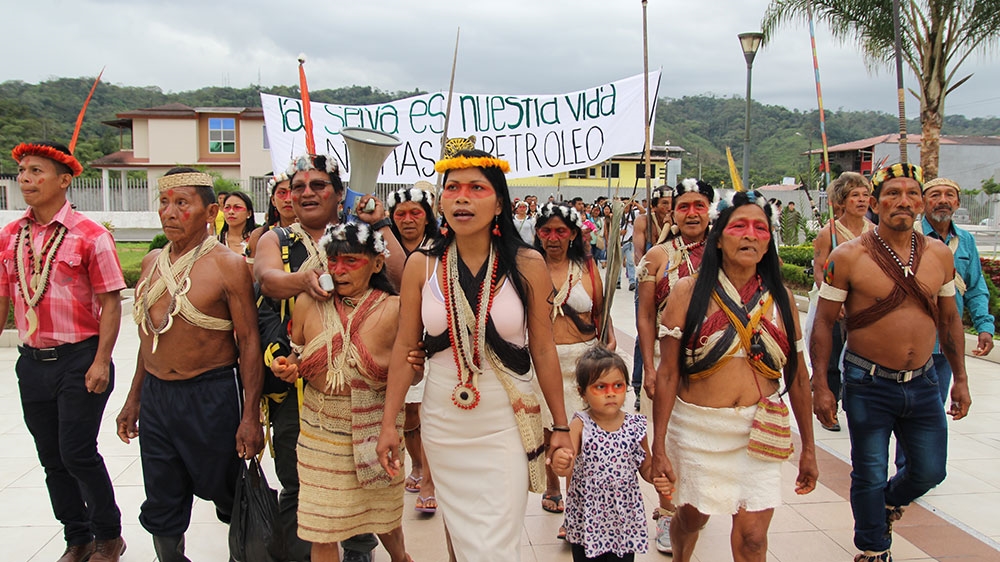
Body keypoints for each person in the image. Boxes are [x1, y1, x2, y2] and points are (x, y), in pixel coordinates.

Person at [376, 145, 573, 562]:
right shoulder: (421, 266)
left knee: (494, 546)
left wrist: (559, 425)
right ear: (441, 201)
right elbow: (405, 348)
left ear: (499, 202)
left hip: (505, 419)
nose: (462, 198)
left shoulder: (527, 263)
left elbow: (543, 349)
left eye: (476, 188)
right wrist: (389, 423)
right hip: (444, 423)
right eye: (453, 188)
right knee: (462, 539)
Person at [810, 163, 971, 562]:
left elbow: (950, 320)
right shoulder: (847, 256)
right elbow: (824, 323)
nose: (903, 201)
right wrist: (821, 385)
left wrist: (961, 378)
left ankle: (886, 502)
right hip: (867, 381)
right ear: (876, 203)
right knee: (868, 470)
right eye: (892, 193)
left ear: (921, 203)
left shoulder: (938, 255)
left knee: (931, 470)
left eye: (911, 193)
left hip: (923, 381)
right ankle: (873, 547)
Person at [650, 191, 818, 562]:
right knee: (691, 519)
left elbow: (798, 376)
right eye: (739, 226)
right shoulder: (687, 292)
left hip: (758, 432)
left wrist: (809, 447)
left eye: (760, 228)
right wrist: (658, 445)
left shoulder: (780, 297)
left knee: (754, 539)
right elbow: (668, 374)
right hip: (697, 430)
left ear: (769, 241)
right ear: (718, 238)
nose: (750, 235)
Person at [253, 152, 403, 562]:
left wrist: (379, 225)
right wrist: (305, 280)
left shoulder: (360, 233)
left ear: (340, 194)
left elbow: (402, 279)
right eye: (298, 187)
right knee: (301, 483)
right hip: (300, 390)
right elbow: (268, 281)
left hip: (366, 395)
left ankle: (360, 551)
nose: (306, 193)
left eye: (318, 185)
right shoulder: (276, 239)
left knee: (369, 486)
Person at [115, 167, 264, 562]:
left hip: (212, 394)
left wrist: (250, 415)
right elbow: (150, 337)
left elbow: (249, 342)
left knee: (229, 491)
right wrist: (134, 398)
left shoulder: (228, 265)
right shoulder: (151, 262)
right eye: (164, 202)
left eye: (182, 203)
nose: (169, 212)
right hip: (158, 398)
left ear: (211, 211)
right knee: (161, 496)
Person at [2, 140, 127, 562]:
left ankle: (108, 535)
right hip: (32, 362)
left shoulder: (91, 235)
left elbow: (111, 303)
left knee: (77, 452)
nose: (25, 179)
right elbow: (3, 297)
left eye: (36, 171)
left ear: (64, 180)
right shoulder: (10, 236)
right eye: (22, 171)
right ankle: (77, 538)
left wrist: (101, 361)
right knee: (51, 458)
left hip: (80, 359)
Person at [634, 178, 714, 553]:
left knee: (701, 440)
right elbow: (645, 315)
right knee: (664, 439)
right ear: (673, 213)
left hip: (711, 364)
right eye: (684, 207)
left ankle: (693, 507)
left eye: (699, 206)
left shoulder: (724, 251)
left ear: (710, 210)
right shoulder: (657, 256)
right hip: (664, 361)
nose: (692, 213)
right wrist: (650, 369)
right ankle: (667, 513)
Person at [533, 202, 616, 531]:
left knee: (578, 434)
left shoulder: (587, 268)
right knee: (549, 428)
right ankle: (552, 487)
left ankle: (576, 507)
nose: (553, 238)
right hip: (543, 360)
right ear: (538, 234)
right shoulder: (529, 267)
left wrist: (609, 338)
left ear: (572, 235)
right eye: (546, 231)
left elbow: (601, 310)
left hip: (583, 361)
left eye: (560, 231)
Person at [550, 346, 672, 562]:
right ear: (582, 392)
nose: (610, 393)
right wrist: (561, 462)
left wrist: (657, 478)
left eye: (618, 385)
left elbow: (645, 466)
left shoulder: (635, 426)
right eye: (600, 387)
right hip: (589, 520)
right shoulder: (580, 424)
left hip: (623, 520)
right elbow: (568, 464)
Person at [386, 184, 439, 514]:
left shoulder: (441, 248)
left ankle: (429, 480)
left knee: (427, 412)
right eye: (400, 214)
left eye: (415, 213)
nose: (408, 219)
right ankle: (416, 464)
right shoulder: (383, 247)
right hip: (396, 339)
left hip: (433, 341)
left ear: (427, 216)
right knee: (407, 413)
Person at [810, 172, 875, 432]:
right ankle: (830, 408)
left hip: (865, 308)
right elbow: (819, 270)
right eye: (854, 195)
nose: (861, 200)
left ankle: (858, 405)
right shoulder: (829, 233)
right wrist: (832, 300)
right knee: (832, 357)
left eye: (865, 195)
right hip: (835, 306)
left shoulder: (875, 232)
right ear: (842, 201)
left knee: (861, 358)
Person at [920, 177, 995, 399]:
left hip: (946, 344)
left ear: (957, 203)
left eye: (949, 195)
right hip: (911, 343)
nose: (943, 200)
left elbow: (975, 287)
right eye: (935, 195)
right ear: (922, 202)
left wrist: (984, 327)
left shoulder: (966, 240)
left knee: (936, 406)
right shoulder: (910, 236)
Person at [246, 172, 297, 263]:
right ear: (273, 200)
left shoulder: (317, 234)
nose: (288, 199)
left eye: (293, 192)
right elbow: (252, 271)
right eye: (282, 193)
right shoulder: (258, 236)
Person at [218, 191, 257, 256]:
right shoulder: (215, 243)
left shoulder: (258, 240)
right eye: (227, 207)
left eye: (237, 207)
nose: (231, 212)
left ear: (249, 213)